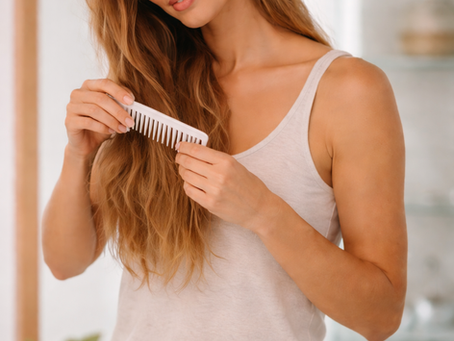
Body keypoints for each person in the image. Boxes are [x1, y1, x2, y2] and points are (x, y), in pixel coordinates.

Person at [42, 0, 408, 340]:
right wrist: (79, 156)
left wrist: (264, 212)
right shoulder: (149, 88)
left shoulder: (348, 91)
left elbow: (380, 316)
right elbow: (64, 262)